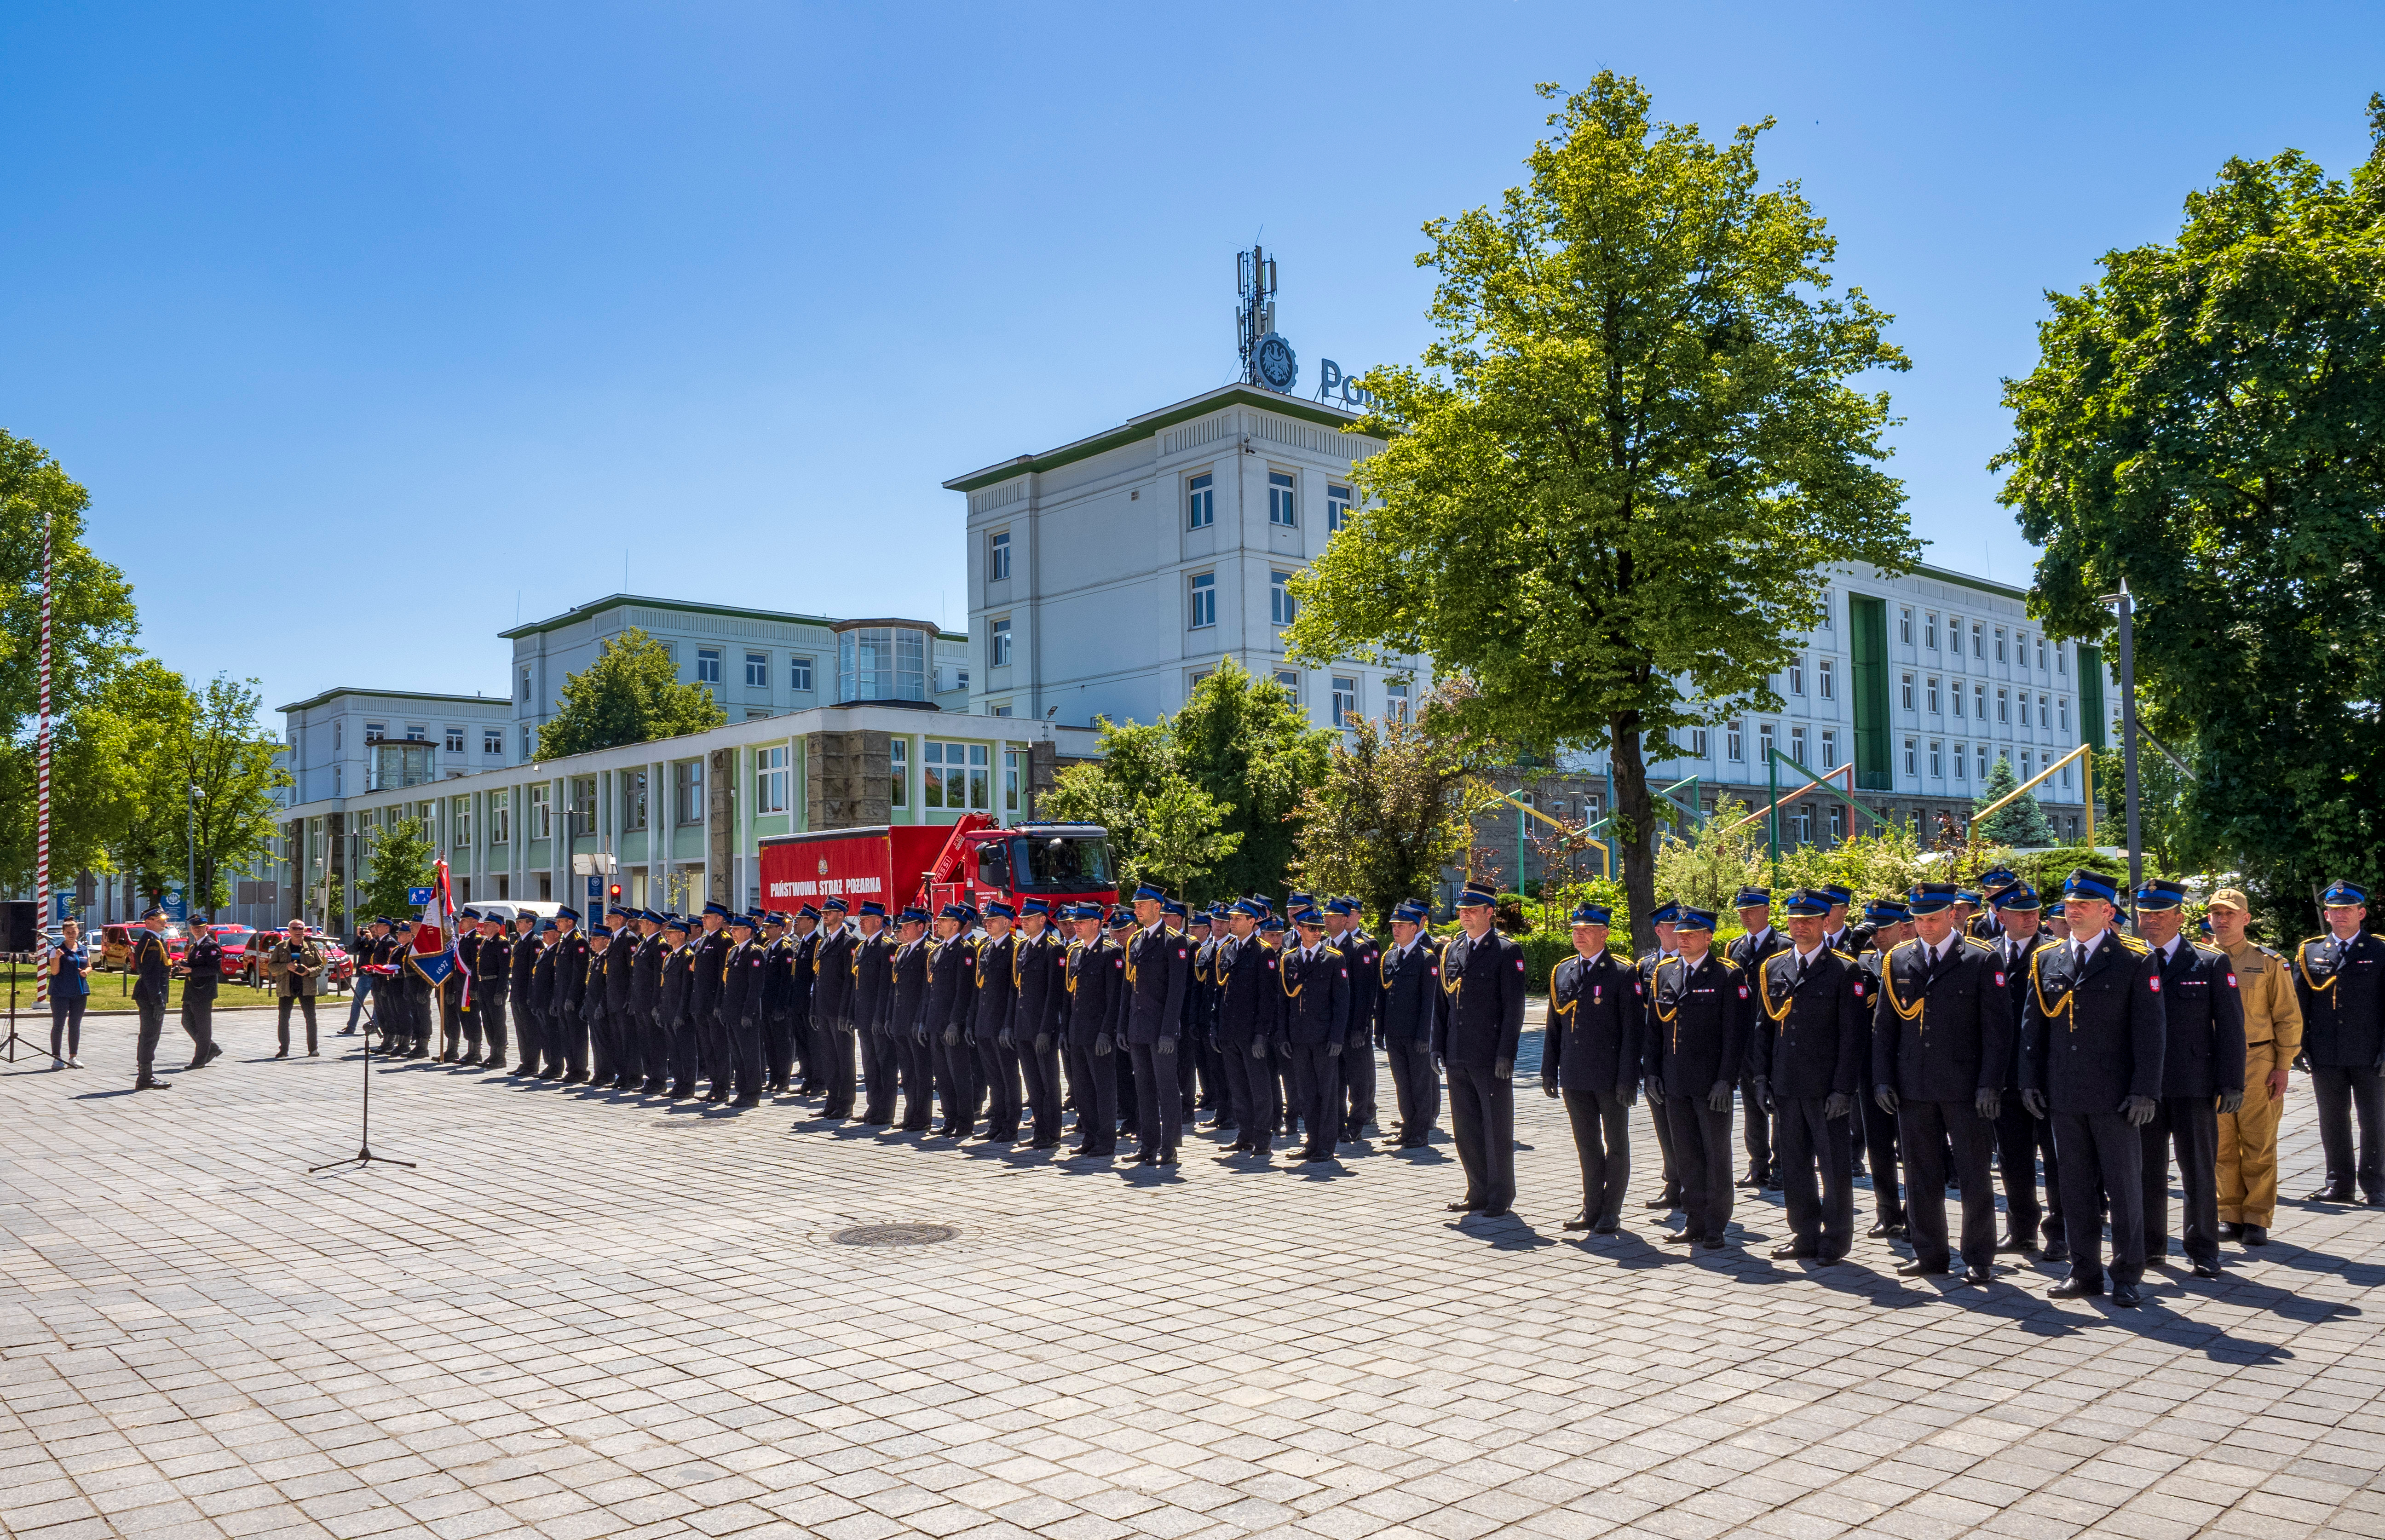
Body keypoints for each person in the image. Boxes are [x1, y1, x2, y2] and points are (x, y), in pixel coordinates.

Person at [2020, 869, 2166, 1308]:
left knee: (2124, 1188)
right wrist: (2029, 1079)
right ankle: (2083, 1270)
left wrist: (2145, 1090)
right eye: (2070, 902)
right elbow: (2033, 1028)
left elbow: (2151, 1032)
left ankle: (2126, 1273)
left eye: (2085, 903)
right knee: (2074, 1186)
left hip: (2116, 1095)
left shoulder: (2135, 959)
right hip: (2064, 1093)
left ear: (2107, 911)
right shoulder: (2047, 958)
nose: (2074, 909)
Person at [1872, 883, 2007, 1286]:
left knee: (1973, 1173)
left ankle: (1979, 1254)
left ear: (1952, 916)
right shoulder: (1898, 959)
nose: (1925, 927)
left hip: (1965, 1087)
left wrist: (1990, 1084)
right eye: (1918, 920)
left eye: (1932, 918)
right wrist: (1882, 1079)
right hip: (1914, 1085)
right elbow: (1885, 1027)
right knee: (1919, 1173)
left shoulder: (1982, 959)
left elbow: (1998, 1031)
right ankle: (1929, 1252)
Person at [2132, 879, 2246, 1278]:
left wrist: (2232, 1082)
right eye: (2145, 914)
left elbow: (2231, 1027)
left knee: (2198, 1168)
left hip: (2193, 1082)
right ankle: (2150, 1246)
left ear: (2179, 918)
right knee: (2146, 1169)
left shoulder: (2209, 962)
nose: (2151, 922)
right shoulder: (2130, 960)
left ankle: (2203, 1248)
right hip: (2142, 1086)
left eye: (2160, 914)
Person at [1751, 889, 1867, 1264]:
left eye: (1809, 921)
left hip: (1825, 1087)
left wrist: (1843, 1088)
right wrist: (1761, 1078)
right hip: (1786, 1083)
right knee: (1795, 1163)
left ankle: (1835, 1238)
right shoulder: (1774, 967)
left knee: (1833, 1167)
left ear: (1825, 922)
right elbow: (1764, 1028)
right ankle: (1803, 1232)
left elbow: (1853, 1037)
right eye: (1794, 921)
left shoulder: (1845, 970)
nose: (1800, 928)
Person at [1644, 907, 1748, 1247]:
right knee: (1686, 1154)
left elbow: (1736, 1035)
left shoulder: (1726, 975)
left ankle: (1716, 1224)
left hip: (1710, 1082)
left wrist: (1726, 1080)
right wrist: (1653, 1072)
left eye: (1692, 934)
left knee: (1716, 1156)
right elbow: (1655, 1030)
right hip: (1675, 1080)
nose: (1683, 939)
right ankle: (1694, 1219)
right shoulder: (1665, 973)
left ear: (1709, 937)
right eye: (1681, 934)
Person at [2206, 888, 2302, 1245]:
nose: (2222, 919)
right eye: (2216, 913)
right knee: (2222, 1143)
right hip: (2214, 1062)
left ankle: (2258, 1218)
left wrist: (2283, 1065)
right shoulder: (2200, 959)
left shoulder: (2267, 962)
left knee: (2259, 1142)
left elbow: (2288, 1017)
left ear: (2246, 919)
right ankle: (2230, 1213)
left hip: (2257, 1060)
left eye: (2230, 913)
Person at [1543, 901, 1641, 1234]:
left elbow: (1632, 1031)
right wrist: (1548, 1068)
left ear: (1605, 933)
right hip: (1575, 1073)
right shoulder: (1563, 971)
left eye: (1586, 930)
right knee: (1586, 1145)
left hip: (1610, 1076)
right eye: (1575, 930)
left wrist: (1629, 1077)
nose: (1579, 935)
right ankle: (1591, 1207)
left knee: (1616, 1145)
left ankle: (1611, 1210)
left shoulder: (1623, 973)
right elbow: (1555, 1026)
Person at [2294, 881, 2385, 1206]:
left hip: (2369, 1053)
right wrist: (2296, 1047)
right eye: (2335, 910)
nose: (2341, 914)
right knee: (2332, 1119)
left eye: (2348, 909)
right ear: (2327, 915)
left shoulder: (2380, 950)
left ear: (2361, 913)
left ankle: (2376, 1185)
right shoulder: (2311, 951)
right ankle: (2339, 1184)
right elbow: (2298, 1005)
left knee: (2373, 1119)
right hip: (2325, 1053)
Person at [1985, 887, 2063, 1260]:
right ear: (2001, 917)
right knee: (2012, 1159)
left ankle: (2060, 1232)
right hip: (2004, 1075)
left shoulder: (2054, 952)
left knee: (2058, 1160)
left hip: (2047, 1074)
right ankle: (2021, 1230)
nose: (2031, 917)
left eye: (2034, 911)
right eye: (2021, 912)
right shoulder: (1985, 955)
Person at [1121, 886, 1193, 1166]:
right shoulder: (1135, 941)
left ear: (1158, 907)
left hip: (1161, 1028)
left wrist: (1168, 1031)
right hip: (1138, 1026)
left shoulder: (1174, 941)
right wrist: (1122, 1027)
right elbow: (1129, 989)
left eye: (1143, 905)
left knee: (1167, 1088)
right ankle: (1147, 1143)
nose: (1137, 909)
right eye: (1136, 905)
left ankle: (1170, 1147)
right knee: (1144, 1088)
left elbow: (1177, 991)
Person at [1856, 899, 1914, 1238]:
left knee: (1912, 1146)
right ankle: (1887, 1212)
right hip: (1871, 1064)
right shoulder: (1863, 962)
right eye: (1872, 929)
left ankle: (1915, 1213)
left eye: (1884, 928)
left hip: (1906, 1063)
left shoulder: (1912, 961)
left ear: (1902, 927)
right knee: (1878, 1143)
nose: (1877, 935)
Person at [1727, 887, 1791, 1192]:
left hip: (1776, 1038)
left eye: (1751, 909)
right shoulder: (1734, 948)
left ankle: (1781, 1166)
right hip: (1746, 1040)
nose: (1744, 914)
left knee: (1777, 1104)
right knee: (1752, 1105)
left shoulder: (1785, 947)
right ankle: (1758, 1165)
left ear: (1766, 910)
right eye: (1741, 909)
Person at [1280, 906, 1351, 1167]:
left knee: (1328, 1092)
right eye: (1312, 928)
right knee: (1306, 1092)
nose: (1318, 933)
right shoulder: (1288, 959)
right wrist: (1283, 1035)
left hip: (1324, 1038)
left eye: (1320, 928)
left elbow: (1342, 1002)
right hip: (1299, 1037)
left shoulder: (1334, 958)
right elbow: (1284, 1001)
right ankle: (1311, 1141)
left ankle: (1326, 1145)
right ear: (1299, 930)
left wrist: (1337, 1037)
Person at [1064, 904, 1126, 1159]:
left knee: (1103, 1088)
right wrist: (1066, 1030)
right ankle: (1090, 1135)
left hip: (1099, 1033)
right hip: (1078, 1031)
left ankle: (1106, 1140)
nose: (1076, 925)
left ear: (1098, 924)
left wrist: (1107, 1032)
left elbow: (1115, 998)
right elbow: (1070, 996)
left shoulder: (1111, 953)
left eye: (1083, 922)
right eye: (1076, 922)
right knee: (1083, 1088)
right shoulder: (1076, 952)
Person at [1379, 900, 1442, 1149]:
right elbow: (1384, 996)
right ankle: (1408, 1127)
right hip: (1395, 1033)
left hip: (1416, 1034)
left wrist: (1425, 1036)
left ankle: (1421, 1131)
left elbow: (1430, 1002)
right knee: (1402, 1084)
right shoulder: (1390, 956)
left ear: (1415, 928)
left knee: (1420, 1084)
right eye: (1395, 925)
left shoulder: (1426, 959)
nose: (1396, 929)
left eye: (1403, 925)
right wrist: (1379, 1031)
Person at [1638, 902, 1685, 1211]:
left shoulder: (1700, 963)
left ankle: (1694, 1184)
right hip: (1656, 1059)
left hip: (1688, 1059)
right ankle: (1673, 1182)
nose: (1681, 932)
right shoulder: (1645, 967)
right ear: (1659, 931)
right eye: (1673, 927)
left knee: (1689, 1127)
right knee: (1664, 1125)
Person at [1012, 898, 1069, 1149]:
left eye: (1029, 918)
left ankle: (1052, 1132)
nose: (1024, 922)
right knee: (1033, 1082)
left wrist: (1046, 1029)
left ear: (1043, 920)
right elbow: (1020, 991)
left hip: (1042, 1027)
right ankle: (1039, 1130)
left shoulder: (1053, 949)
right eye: (1023, 919)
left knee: (1048, 1082)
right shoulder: (1023, 948)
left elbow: (1054, 994)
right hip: (1024, 1025)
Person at [1327, 897, 1383, 1146]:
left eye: (1333, 916)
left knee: (1359, 1079)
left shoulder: (1360, 948)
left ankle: (1358, 1122)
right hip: (1331, 1027)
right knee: (1335, 1079)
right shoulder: (1324, 947)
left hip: (1353, 1027)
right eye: (1325, 915)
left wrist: (1361, 1027)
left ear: (1346, 919)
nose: (1326, 920)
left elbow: (1365, 993)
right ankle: (1338, 1124)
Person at [927, 904, 980, 1136]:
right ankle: (950, 1119)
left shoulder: (965, 950)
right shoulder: (940, 949)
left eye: (944, 920)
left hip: (951, 1024)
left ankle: (965, 1122)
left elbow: (963, 990)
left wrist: (956, 1022)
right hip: (936, 1022)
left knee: (959, 1074)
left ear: (956, 925)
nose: (938, 923)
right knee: (943, 1076)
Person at [888, 906, 934, 1132]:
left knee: (921, 1071)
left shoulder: (928, 951)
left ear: (921, 927)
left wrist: (921, 1019)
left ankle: (922, 1116)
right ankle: (910, 1113)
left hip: (916, 1021)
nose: (903, 930)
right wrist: (890, 1016)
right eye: (903, 927)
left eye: (908, 926)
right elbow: (895, 988)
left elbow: (927, 991)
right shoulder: (903, 951)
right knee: (907, 1072)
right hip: (901, 1020)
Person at [811, 897, 858, 1118]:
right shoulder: (824, 942)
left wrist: (846, 1013)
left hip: (839, 1010)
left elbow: (850, 982)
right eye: (824, 913)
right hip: (824, 1009)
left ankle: (846, 1104)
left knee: (844, 1059)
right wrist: (814, 1007)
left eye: (829, 913)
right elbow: (818, 978)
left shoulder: (849, 943)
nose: (825, 916)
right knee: (829, 1058)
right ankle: (832, 1100)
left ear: (841, 915)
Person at [130, 905, 174, 1090]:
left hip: (153, 993)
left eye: (164, 920)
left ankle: (146, 1076)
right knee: (150, 1036)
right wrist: (157, 1000)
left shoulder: (156, 940)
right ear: (148, 922)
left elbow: (159, 969)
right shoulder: (151, 942)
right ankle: (145, 1078)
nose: (164, 923)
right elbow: (149, 974)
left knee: (151, 1035)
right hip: (150, 995)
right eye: (160, 920)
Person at [271, 919, 328, 1058]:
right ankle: (284, 1050)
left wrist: (309, 971)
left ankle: (313, 1049)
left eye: (300, 929)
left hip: (307, 986)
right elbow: (272, 967)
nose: (298, 931)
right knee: (284, 1018)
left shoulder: (312, 946)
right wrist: (286, 967)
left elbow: (320, 966)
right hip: (286, 987)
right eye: (295, 929)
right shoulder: (281, 947)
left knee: (311, 1018)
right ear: (289, 931)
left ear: (304, 931)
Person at [182, 917, 225, 1069]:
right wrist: (182, 965)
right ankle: (211, 1048)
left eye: (200, 928)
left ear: (206, 928)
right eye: (195, 928)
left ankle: (200, 1059)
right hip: (192, 990)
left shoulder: (211, 946)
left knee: (203, 1026)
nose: (197, 930)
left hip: (204, 991)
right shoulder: (195, 946)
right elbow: (195, 964)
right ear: (191, 929)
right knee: (187, 1022)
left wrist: (192, 970)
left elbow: (214, 969)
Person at [48, 918, 90, 1069]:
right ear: (64, 934)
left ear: (78, 932)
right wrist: (58, 958)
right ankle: (57, 1058)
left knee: (75, 1025)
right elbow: (54, 971)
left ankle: (73, 1057)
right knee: (58, 1025)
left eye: (74, 932)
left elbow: (89, 966)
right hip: (60, 993)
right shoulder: (57, 950)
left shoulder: (83, 949)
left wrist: (86, 971)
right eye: (68, 933)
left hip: (80, 992)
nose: (71, 935)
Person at [345, 917, 391, 1035]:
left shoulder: (381, 942)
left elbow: (380, 953)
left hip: (376, 975)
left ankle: (374, 1025)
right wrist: (359, 937)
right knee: (357, 1002)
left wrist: (371, 940)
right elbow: (354, 949)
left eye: (375, 929)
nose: (374, 931)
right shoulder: (366, 941)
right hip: (365, 976)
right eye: (371, 929)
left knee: (378, 1003)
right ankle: (351, 1026)